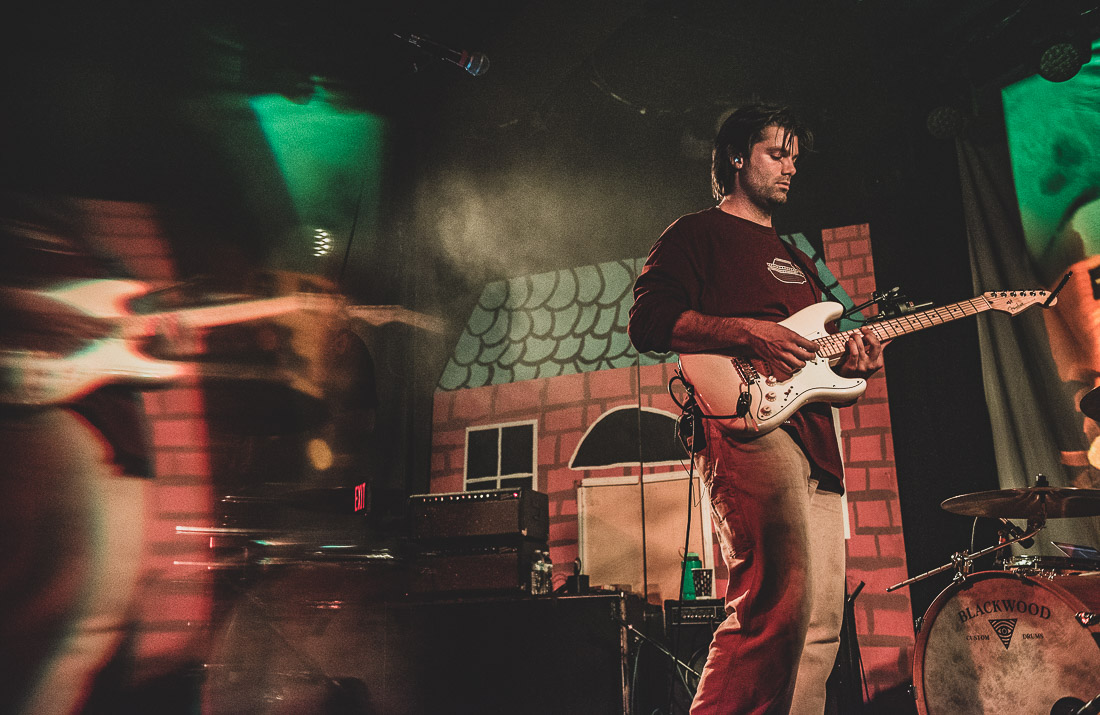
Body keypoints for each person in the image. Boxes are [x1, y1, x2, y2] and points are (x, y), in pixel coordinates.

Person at [628, 103, 884, 714]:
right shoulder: (695, 234)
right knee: (776, 603)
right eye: (777, 153)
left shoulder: (795, 259)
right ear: (737, 158)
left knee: (821, 625)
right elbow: (649, 322)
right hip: (747, 428)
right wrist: (747, 333)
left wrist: (856, 364)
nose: (791, 167)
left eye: (795, 156)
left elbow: (820, 357)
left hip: (817, 443)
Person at [0, 192, 154, 715]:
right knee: (54, 638)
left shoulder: (90, 243)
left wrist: (168, 344)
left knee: (84, 640)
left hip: (116, 450)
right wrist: (28, 307)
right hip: (46, 432)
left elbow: (141, 345)